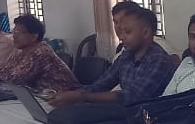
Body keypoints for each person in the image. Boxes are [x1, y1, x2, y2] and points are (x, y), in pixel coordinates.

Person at [45, 7, 174, 106]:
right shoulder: (126, 56)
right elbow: (101, 84)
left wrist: (81, 97)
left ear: (146, 33)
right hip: (125, 112)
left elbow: (133, 97)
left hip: (146, 119)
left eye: (128, 32)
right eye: (121, 31)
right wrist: (72, 94)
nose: (121, 37)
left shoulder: (158, 60)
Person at [0, 14, 78, 93]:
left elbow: (15, 79)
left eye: (19, 32)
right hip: (42, 96)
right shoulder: (23, 52)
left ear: (34, 36)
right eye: (14, 32)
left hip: (63, 97)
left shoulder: (41, 52)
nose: (14, 36)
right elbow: (2, 71)